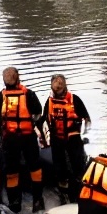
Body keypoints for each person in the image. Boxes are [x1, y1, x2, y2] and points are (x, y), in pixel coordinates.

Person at [0, 67, 43, 213]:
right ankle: (37, 201)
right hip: (27, 136)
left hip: (10, 138)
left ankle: (14, 203)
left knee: (11, 171)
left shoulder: (1, 95)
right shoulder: (28, 94)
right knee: (35, 168)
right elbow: (37, 112)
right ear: (18, 78)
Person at [41, 76, 91, 204]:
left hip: (73, 137)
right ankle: (65, 191)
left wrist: (84, 132)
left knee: (77, 165)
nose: (58, 86)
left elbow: (86, 119)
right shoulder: (49, 102)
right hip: (57, 138)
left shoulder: (74, 99)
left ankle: (79, 189)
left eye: (60, 84)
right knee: (60, 167)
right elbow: (45, 120)